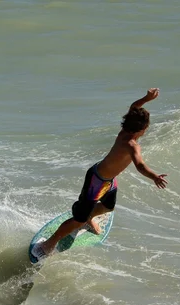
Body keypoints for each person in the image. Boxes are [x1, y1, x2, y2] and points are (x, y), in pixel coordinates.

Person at [31, 88, 168, 261]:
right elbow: (140, 165)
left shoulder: (125, 132)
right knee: (78, 220)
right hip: (96, 181)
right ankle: (49, 243)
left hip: (109, 181)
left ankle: (89, 218)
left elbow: (135, 106)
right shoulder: (132, 145)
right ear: (142, 129)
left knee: (107, 208)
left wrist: (146, 99)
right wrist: (154, 176)